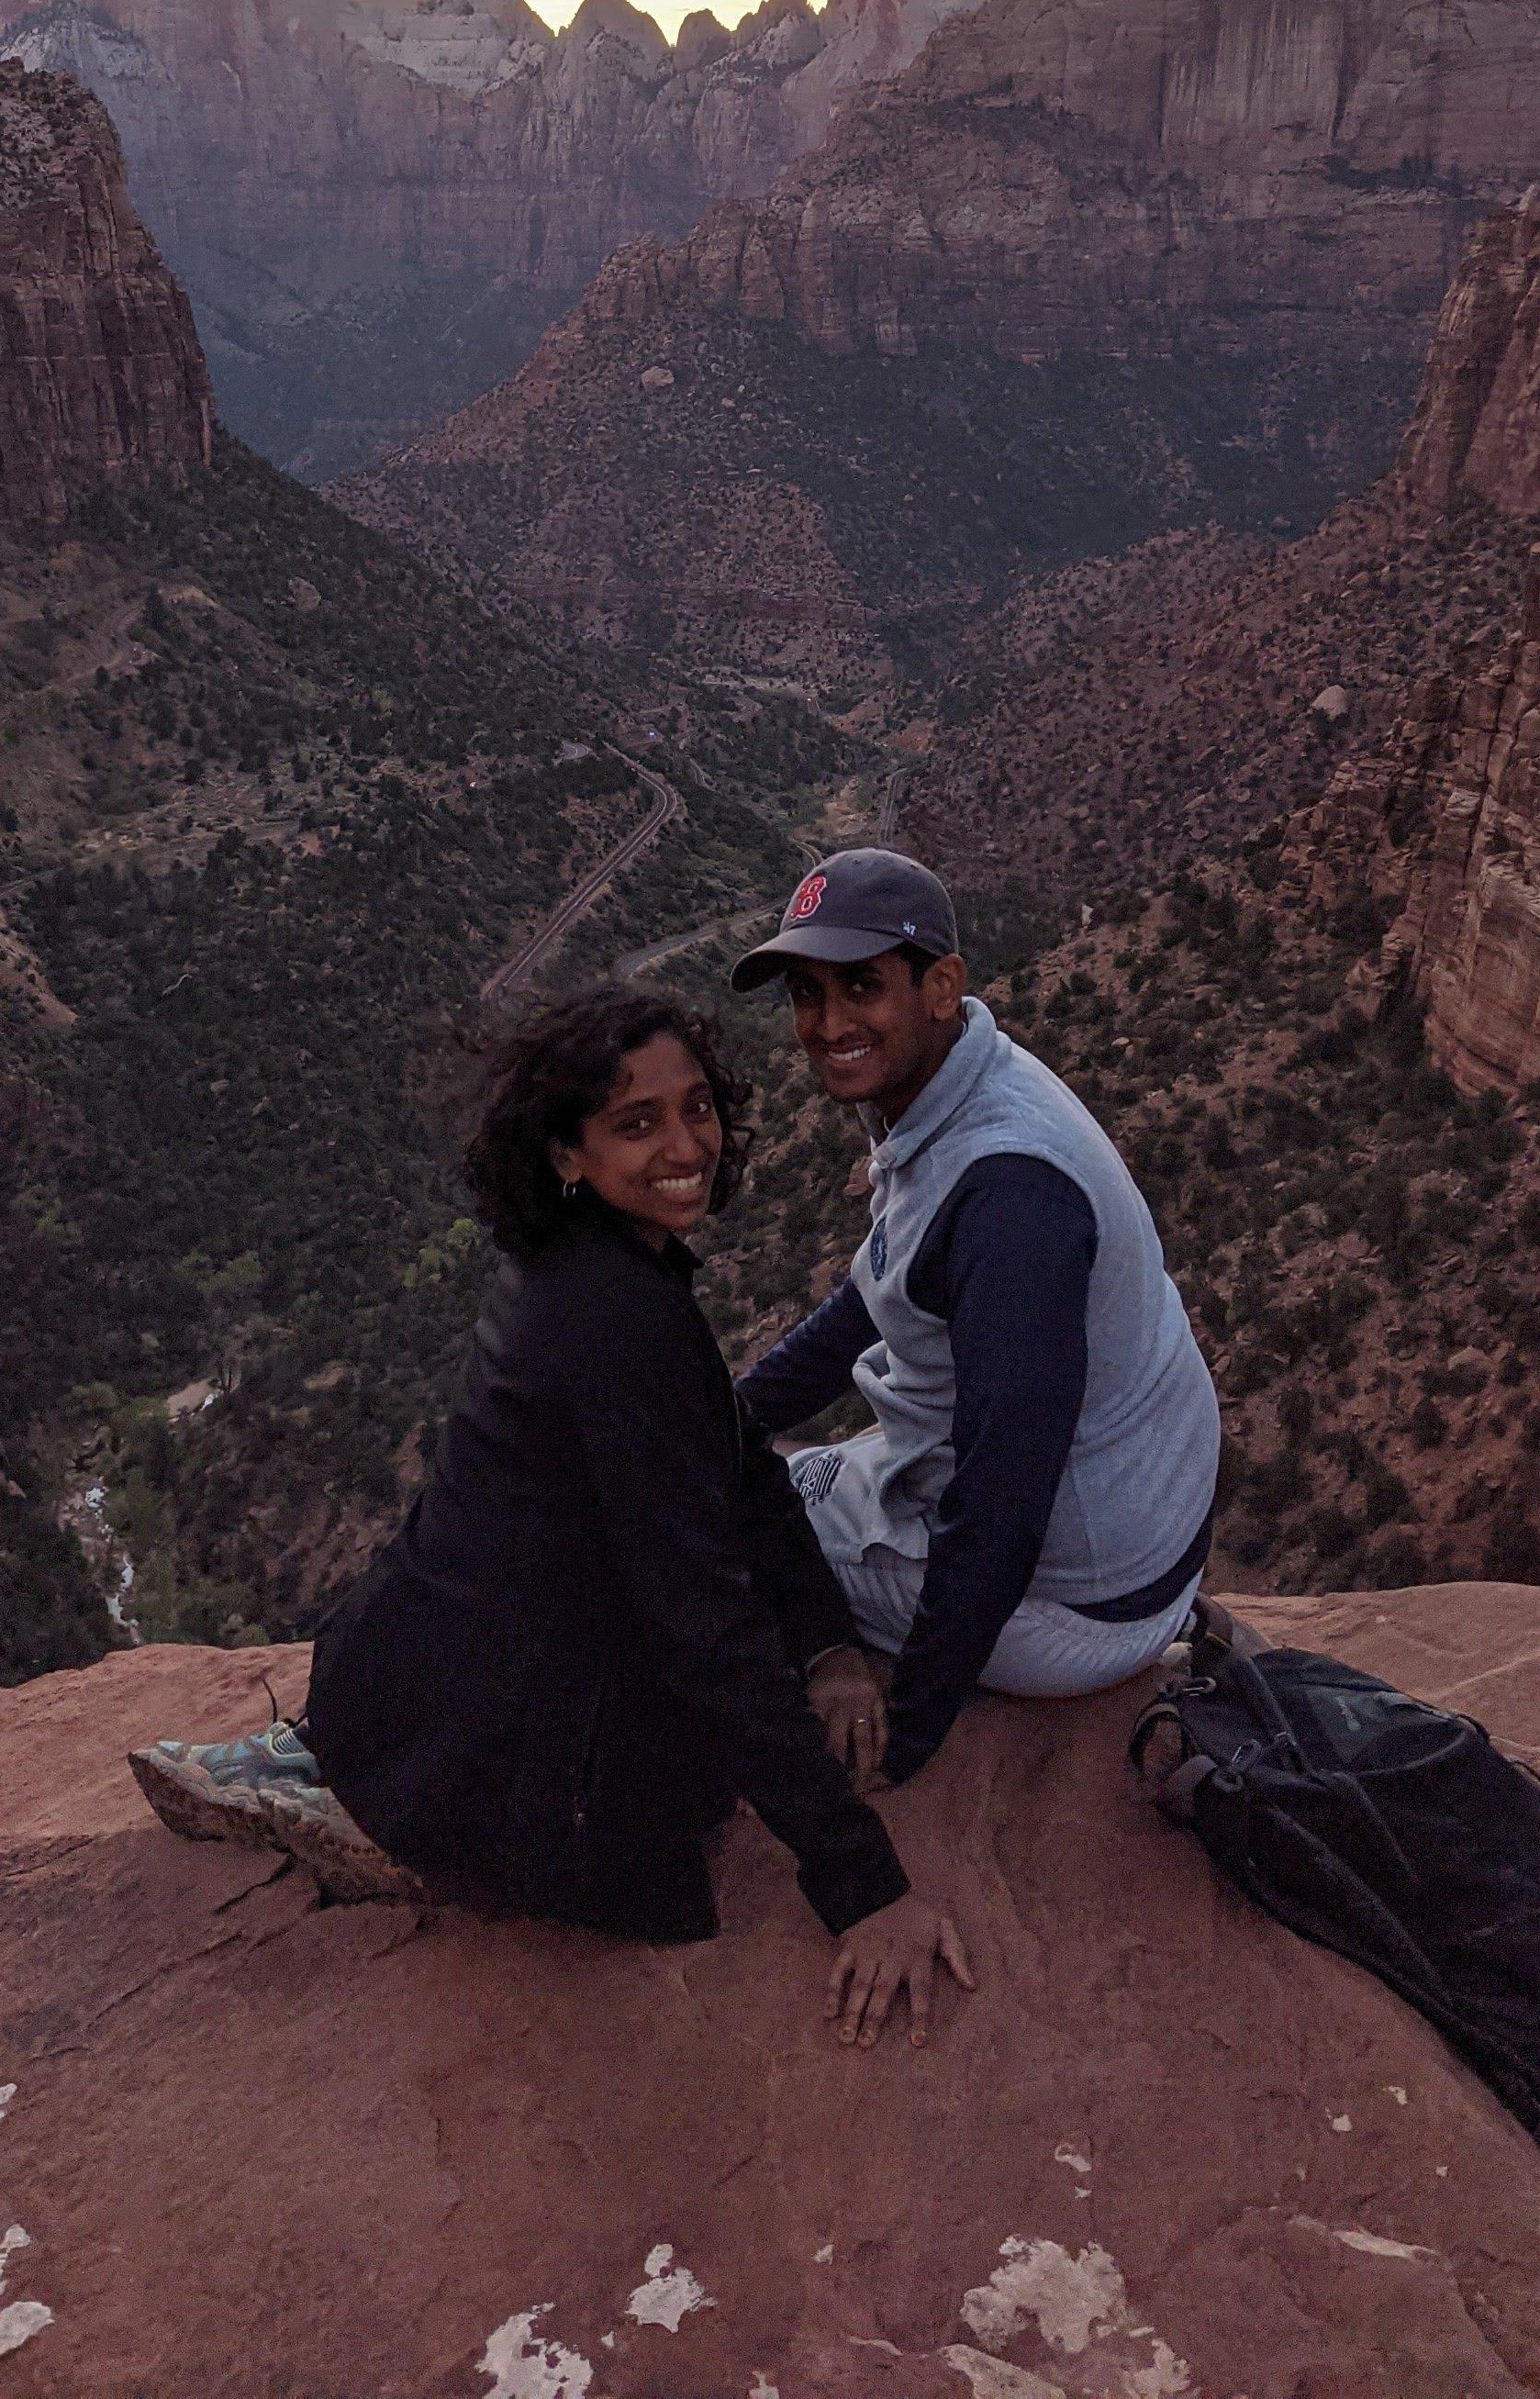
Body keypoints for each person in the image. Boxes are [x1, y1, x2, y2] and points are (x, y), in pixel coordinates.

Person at [129, 984, 976, 2047]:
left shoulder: (609, 1272)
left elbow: (739, 1470)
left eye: (697, 1106)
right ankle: (370, 1808)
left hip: (426, 1667)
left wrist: (826, 1646)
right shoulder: (613, 1324)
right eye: (638, 1123)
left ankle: (341, 1761)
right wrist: (867, 1889)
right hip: (500, 1740)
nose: (687, 1144)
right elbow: (701, 1623)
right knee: (660, 1816)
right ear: (567, 1155)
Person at [731, 849, 1223, 1791]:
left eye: (862, 987)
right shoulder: (956, 1087)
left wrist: (908, 1737)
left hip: (1078, 1601)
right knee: (753, 1472)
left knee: (737, 1524)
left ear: (941, 985)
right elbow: (873, 1300)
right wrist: (728, 1414)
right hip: (1137, 1533)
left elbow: (1000, 1510)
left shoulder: (1009, 1198)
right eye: (806, 993)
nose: (828, 1024)